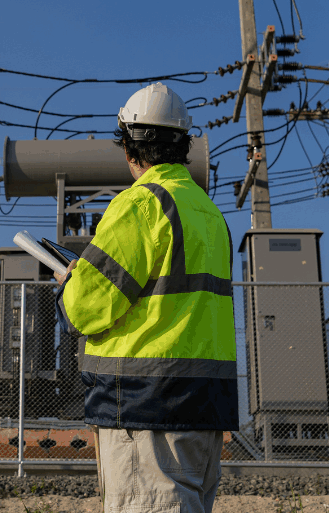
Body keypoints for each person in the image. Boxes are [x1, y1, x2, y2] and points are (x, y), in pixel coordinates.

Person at [53, 82, 237, 513]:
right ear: (183, 144)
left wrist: (69, 284)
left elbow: (86, 308)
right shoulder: (209, 214)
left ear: (128, 147)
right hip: (205, 410)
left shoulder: (139, 206)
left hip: (145, 409)